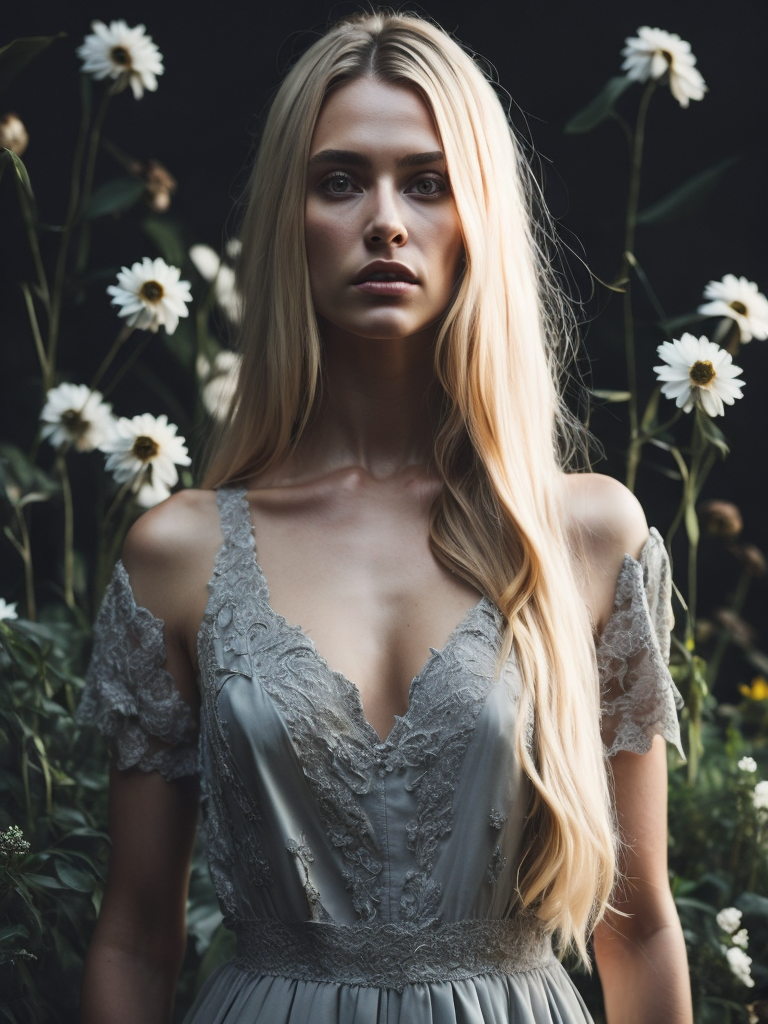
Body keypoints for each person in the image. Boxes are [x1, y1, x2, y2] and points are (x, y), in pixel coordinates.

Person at [78, 11, 693, 1024]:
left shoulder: (585, 536)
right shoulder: (180, 555)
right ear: (291, 216)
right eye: (339, 180)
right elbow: (135, 937)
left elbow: (641, 927)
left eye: (426, 180)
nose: (385, 220)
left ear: (478, 216)